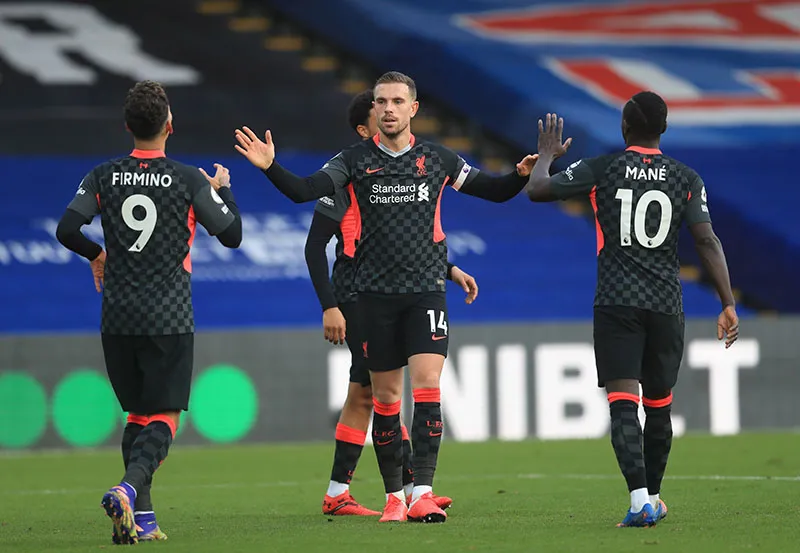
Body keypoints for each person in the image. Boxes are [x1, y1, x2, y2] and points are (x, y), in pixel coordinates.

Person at [235, 71, 537, 523]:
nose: (389, 108)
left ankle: (423, 493)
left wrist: (518, 175)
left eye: (398, 101)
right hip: (373, 297)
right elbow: (303, 191)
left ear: (414, 108)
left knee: (429, 387)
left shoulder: (437, 159)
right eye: (382, 102)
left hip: (426, 295)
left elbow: (491, 191)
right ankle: (396, 497)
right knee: (385, 400)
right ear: (373, 111)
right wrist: (270, 168)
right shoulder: (352, 161)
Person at [525, 92, 739, 527]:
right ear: (662, 129)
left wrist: (546, 156)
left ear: (625, 127)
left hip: (617, 301)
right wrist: (728, 302)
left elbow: (538, 189)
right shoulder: (686, 178)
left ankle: (641, 498)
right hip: (665, 304)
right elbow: (707, 241)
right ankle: (653, 498)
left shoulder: (603, 168)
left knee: (624, 403)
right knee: (659, 405)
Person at [55, 80, 243, 544]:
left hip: (117, 317)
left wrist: (96, 254)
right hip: (168, 316)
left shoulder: (103, 175)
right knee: (165, 416)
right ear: (169, 125)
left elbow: (66, 229)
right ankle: (127, 489)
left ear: (127, 126)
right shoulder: (188, 179)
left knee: (138, 417)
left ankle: (143, 517)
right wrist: (224, 189)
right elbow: (232, 234)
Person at [306, 90, 476, 516]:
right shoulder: (348, 180)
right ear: (364, 129)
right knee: (376, 394)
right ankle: (402, 490)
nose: (388, 114)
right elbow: (315, 247)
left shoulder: (397, 173)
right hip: (359, 294)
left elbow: (401, 241)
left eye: (395, 106)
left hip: (386, 287)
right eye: (378, 110)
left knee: (367, 393)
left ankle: (364, 491)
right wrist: (331, 305)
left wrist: (449, 268)